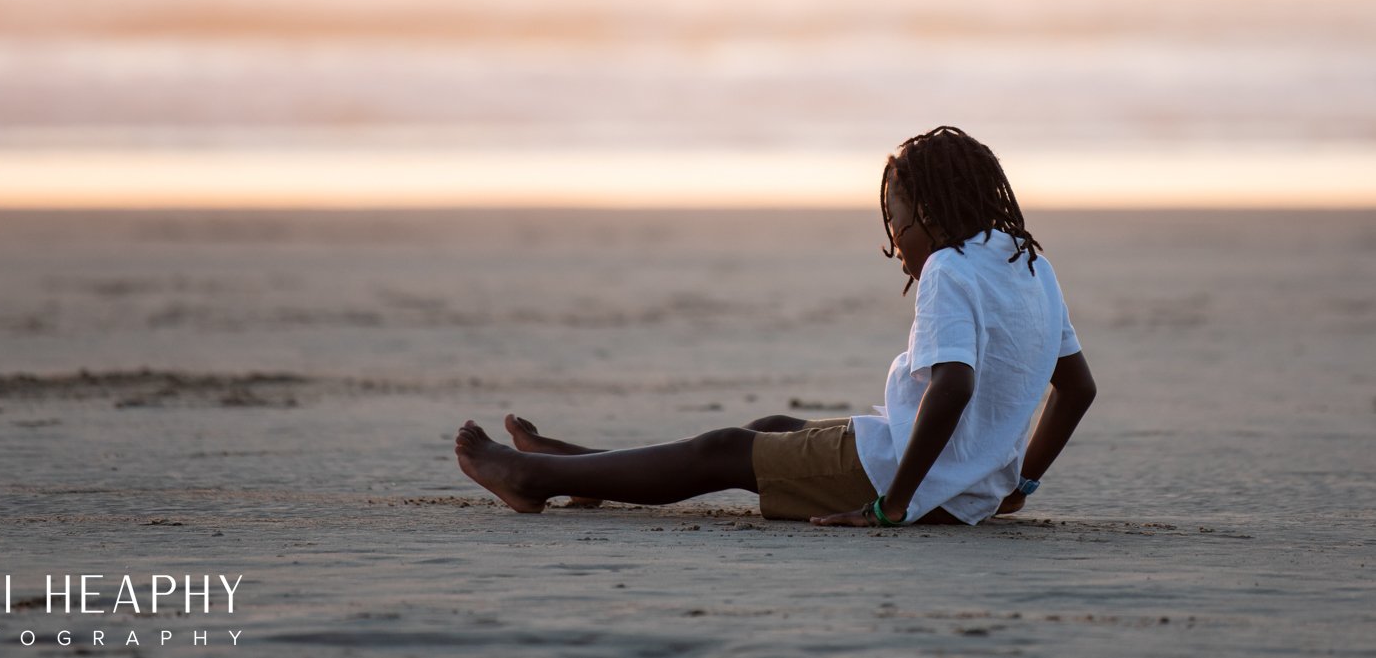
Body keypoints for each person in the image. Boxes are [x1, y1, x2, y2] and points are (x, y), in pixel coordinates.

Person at [454, 126, 1097, 527]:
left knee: (723, 451)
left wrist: (891, 505)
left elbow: (952, 386)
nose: (895, 241)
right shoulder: (1030, 264)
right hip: (967, 488)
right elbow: (1078, 388)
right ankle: (591, 474)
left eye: (896, 222)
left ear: (930, 213)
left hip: (905, 481)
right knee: (769, 431)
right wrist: (1018, 482)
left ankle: (529, 478)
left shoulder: (949, 270)